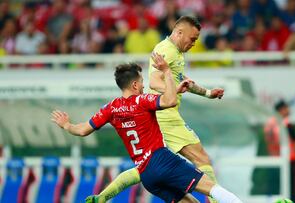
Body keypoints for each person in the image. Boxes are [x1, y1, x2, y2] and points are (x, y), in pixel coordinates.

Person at [51, 55, 243, 203]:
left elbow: (83, 130)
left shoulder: (111, 108)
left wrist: (66, 124)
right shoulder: (142, 101)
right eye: (142, 83)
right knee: (211, 188)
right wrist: (167, 71)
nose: (144, 87)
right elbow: (169, 101)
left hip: (146, 175)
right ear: (134, 84)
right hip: (162, 160)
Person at [88, 16, 225, 203]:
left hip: (158, 114)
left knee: (147, 166)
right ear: (179, 32)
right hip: (166, 114)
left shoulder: (173, 51)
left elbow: (181, 79)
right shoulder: (166, 50)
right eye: (192, 39)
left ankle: (102, 197)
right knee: (202, 158)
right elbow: (154, 81)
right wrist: (173, 90)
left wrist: (208, 93)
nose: (194, 43)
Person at [263, 100, 295, 203]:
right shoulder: (285, 124)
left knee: (274, 188)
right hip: (289, 160)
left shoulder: (269, 124)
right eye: (286, 108)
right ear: (281, 110)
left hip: (274, 160)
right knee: (293, 190)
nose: (288, 110)